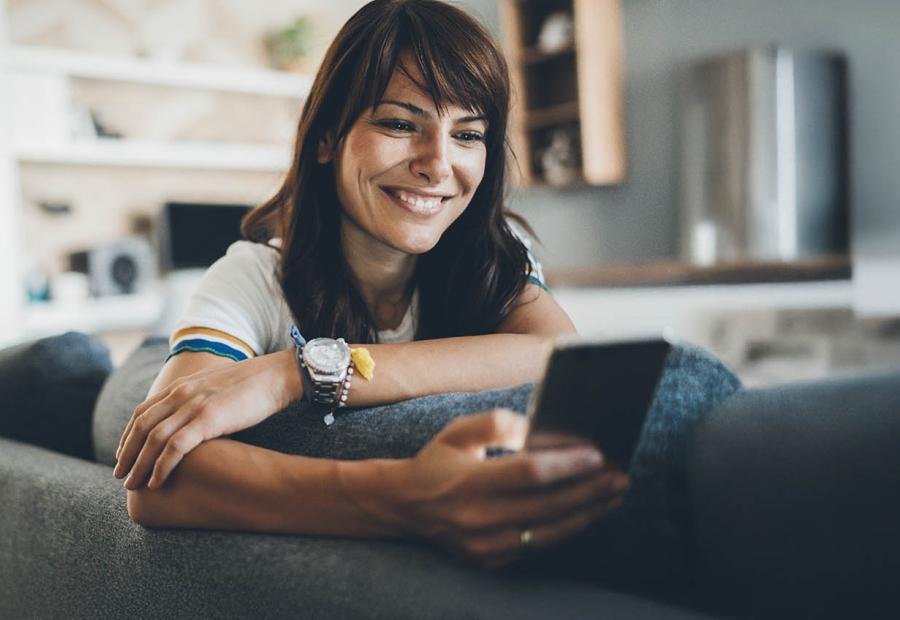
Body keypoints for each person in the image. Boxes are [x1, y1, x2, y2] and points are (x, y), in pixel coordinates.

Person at [114, 0, 630, 570]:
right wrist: (409, 496)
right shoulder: (253, 274)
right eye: (400, 124)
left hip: (263, 363)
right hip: (152, 365)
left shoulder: (494, 251)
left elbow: (555, 351)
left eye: (468, 134)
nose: (438, 164)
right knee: (114, 390)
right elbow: (156, 483)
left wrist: (297, 372)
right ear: (328, 138)